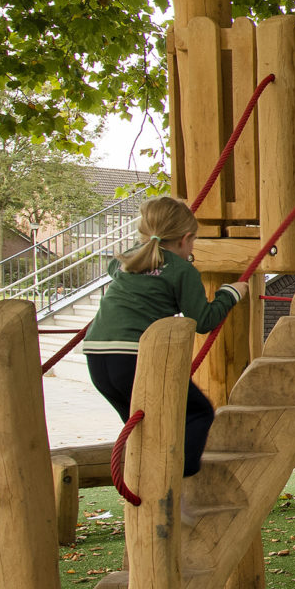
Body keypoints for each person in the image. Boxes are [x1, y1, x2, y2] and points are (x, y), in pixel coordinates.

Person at [79, 196, 238, 478]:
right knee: (198, 412)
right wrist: (230, 294)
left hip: (97, 357)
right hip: (132, 358)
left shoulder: (126, 261)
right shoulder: (182, 270)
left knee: (144, 428)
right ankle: (178, 476)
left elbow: (113, 268)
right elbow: (203, 321)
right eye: (193, 241)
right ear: (185, 239)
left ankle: (149, 479)